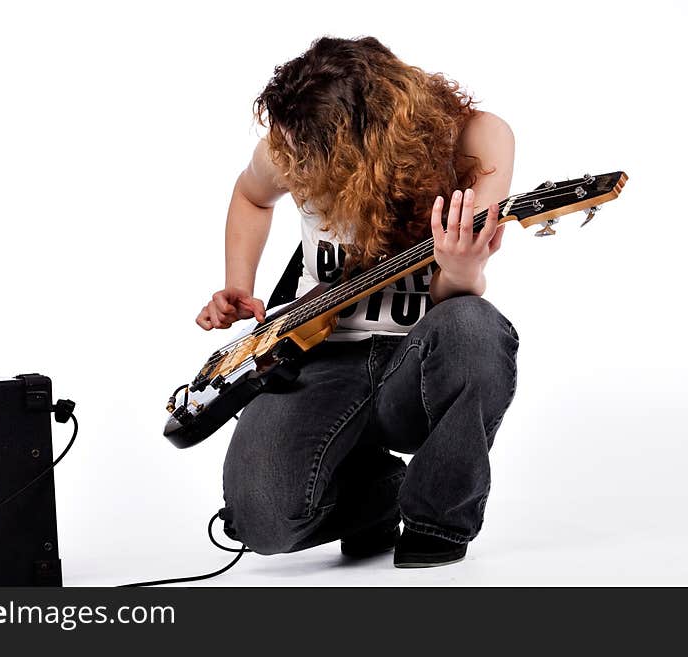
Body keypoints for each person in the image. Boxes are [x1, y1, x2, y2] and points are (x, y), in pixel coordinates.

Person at [196, 36, 519, 568]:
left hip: (417, 361)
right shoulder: (294, 142)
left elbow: (451, 298)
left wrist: (462, 271)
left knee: (474, 326)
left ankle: (435, 518)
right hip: (314, 353)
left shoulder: (476, 139)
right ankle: (377, 495)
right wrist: (239, 282)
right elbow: (251, 195)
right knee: (262, 523)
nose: (300, 160)